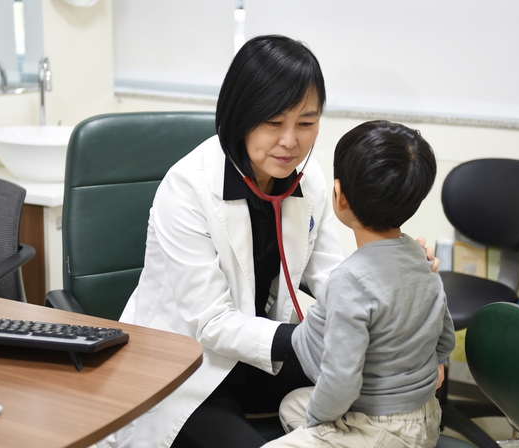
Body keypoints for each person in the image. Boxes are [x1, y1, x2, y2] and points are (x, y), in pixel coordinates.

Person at [98, 36, 437, 448]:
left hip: (267, 356)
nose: (291, 141)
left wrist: (393, 279)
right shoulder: (187, 188)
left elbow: (334, 278)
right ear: (240, 116)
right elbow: (211, 323)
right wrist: (315, 339)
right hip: (191, 367)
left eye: (307, 123)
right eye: (274, 123)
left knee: (387, 385)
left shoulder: (308, 183)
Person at [263, 121, 456, 448]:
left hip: (380, 429)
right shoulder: (420, 257)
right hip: (425, 415)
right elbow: (445, 335)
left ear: (339, 197)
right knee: (293, 404)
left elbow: (341, 382)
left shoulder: (349, 280)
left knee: (295, 427)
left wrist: (316, 428)